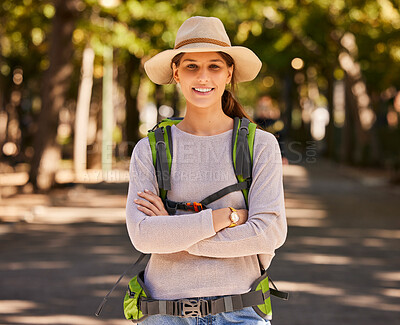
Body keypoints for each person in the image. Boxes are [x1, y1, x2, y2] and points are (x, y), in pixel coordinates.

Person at [126, 16, 287, 324]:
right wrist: (222, 218)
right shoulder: (149, 149)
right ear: (176, 73)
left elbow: (270, 233)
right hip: (164, 314)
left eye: (214, 66)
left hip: (241, 312)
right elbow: (144, 236)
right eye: (191, 66)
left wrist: (175, 233)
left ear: (229, 73)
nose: (203, 77)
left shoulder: (260, 145)